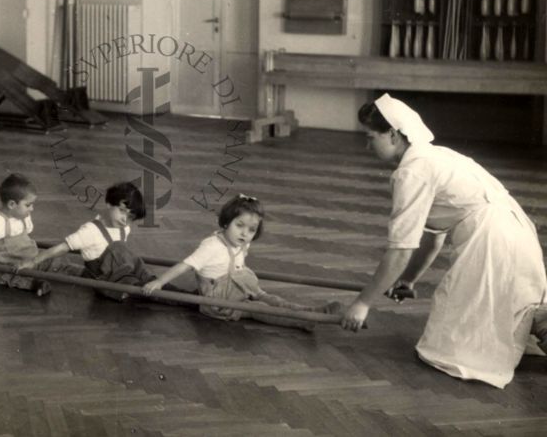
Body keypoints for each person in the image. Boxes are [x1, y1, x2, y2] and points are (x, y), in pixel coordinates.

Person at [341, 92, 547, 388]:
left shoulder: (412, 172)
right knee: (518, 303)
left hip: (492, 239)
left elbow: (400, 250)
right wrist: (409, 280)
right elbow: (432, 237)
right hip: (514, 230)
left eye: (371, 137)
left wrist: (362, 303)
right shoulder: (434, 154)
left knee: (457, 345)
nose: (366, 145)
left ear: (394, 134)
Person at [142, 194, 342, 330]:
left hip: (240, 287)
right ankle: (302, 321)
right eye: (240, 226)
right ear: (226, 222)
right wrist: (159, 282)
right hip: (221, 300)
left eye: (251, 230)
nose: (245, 234)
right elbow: (185, 264)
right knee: (261, 311)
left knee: (271, 299)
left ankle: (309, 312)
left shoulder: (242, 242)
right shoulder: (211, 246)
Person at [19, 181, 155, 301]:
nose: (125, 220)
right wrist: (33, 261)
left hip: (124, 275)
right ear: (108, 204)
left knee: (135, 262)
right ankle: (147, 286)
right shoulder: (90, 231)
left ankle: (156, 282)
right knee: (118, 247)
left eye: (130, 217)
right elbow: (62, 248)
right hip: (106, 281)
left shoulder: (125, 228)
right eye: (122, 211)